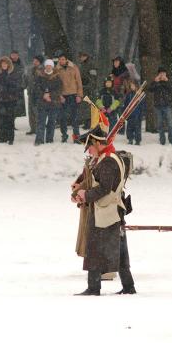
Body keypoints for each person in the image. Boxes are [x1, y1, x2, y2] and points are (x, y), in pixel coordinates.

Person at [73, 121, 136, 296]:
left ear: (98, 143)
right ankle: (128, 286)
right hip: (111, 211)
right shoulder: (106, 158)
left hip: (106, 211)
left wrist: (86, 195)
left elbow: (104, 188)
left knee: (94, 249)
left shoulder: (108, 161)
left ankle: (94, 288)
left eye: (91, 147)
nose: (89, 151)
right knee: (120, 249)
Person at [34, 59, 62, 145]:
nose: (48, 67)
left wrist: (50, 95)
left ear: (52, 67)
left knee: (51, 122)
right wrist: (43, 95)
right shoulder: (40, 76)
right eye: (47, 65)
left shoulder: (57, 77)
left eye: (50, 66)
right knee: (41, 122)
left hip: (54, 103)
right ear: (45, 66)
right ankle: (39, 139)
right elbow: (36, 88)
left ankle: (50, 139)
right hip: (42, 103)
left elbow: (59, 90)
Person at [57, 53, 83, 143]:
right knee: (62, 117)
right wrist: (59, 96)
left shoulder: (74, 67)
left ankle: (76, 136)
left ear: (66, 59)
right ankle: (64, 135)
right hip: (63, 96)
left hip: (73, 95)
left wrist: (79, 95)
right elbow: (56, 85)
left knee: (74, 117)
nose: (61, 61)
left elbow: (79, 82)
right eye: (60, 59)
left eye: (63, 59)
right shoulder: (56, 70)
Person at [0, 56, 21, 145]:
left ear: (9, 64)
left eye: (6, 63)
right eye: (3, 63)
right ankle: (2, 138)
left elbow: (17, 85)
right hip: (1, 99)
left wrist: (8, 87)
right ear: (0, 65)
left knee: (10, 119)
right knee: (1, 119)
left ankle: (10, 138)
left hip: (11, 99)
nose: (4, 65)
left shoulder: (13, 73)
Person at [149, 67, 172, 146]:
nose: (162, 74)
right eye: (160, 73)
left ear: (166, 74)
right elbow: (150, 89)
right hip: (158, 106)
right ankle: (162, 141)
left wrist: (167, 81)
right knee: (160, 124)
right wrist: (155, 81)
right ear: (158, 74)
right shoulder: (156, 82)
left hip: (167, 105)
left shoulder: (169, 81)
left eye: (163, 73)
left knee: (170, 124)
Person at [78, 51, 98, 129]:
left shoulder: (91, 64)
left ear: (86, 56)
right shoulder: (82, 65)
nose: (81, 58)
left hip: (90, 89)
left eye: (83, 56)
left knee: (90, 107)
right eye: (81, 56)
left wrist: (89, 85)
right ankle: (86, 122)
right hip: (84, 88)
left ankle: (90, 123)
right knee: (85, 107)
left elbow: (93, 77)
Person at [26, 55, 44, 135]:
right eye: (34, 60)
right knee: (31, 112)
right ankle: (32, 128)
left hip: (38, 94)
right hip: (30, 93)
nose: (34, 62)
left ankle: (38, 129)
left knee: (37, 112)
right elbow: (27, 80)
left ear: (40, 62)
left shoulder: (43, 70)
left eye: (36, 61)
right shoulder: (30, 69)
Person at [123, 80, 144, 145]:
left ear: (136, 86)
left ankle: (138, 140)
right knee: (129, 127)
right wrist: (125, 112)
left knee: (137, 128)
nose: (132, 87)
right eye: (131, 85)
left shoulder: (139, 95)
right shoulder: (128, 94)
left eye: (133, 85)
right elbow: (126, 104)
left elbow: (142, 105)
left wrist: (142, 113)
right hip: (130, 114)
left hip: (137, 114)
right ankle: (130, 139)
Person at [10, 50, 27, 120]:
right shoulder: (8, 63)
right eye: (13, 55)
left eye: (16, 55)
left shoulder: (21, 64)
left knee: (17, 107)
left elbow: (24, 75)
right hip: (10, 88)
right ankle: (10, 122)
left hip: (19, 88)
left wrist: (23, 85)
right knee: (10, 107)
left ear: (18, 55)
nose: (14, 56)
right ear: (11, 55)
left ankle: (13, 121)